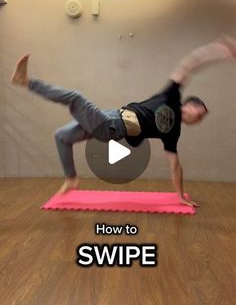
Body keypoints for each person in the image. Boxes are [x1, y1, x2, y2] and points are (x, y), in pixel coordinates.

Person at [10, 36, 236, 205]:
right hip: (110, 116)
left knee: (75, 98)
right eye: (201, 113)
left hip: (112, 127)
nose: (200, 118)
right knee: (61, 136)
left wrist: (180, 197)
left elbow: (174, 165)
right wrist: (218, 50)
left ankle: (27, 82)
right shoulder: (170, 95)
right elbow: (189, 65)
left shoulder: (173, 131)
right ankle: (71, 179)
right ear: (191, 105)